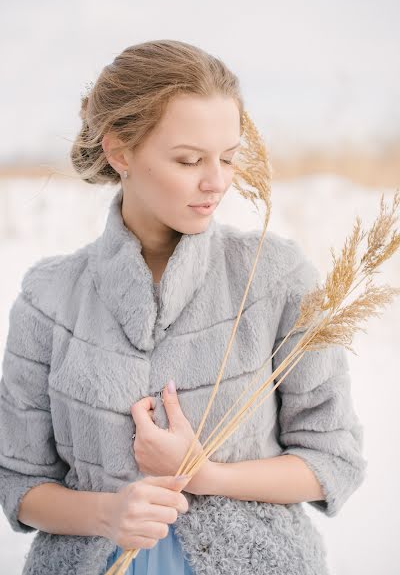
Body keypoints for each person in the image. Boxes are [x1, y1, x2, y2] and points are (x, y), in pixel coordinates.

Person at [0, 40, 367, 575]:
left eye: (229, 157)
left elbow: (332, 459)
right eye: (189, 160)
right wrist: (108, 514)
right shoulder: (48, 297)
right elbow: (20, 483)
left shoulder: (275, 277)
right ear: (120, 152)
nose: (216, 181)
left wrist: (205, 473)